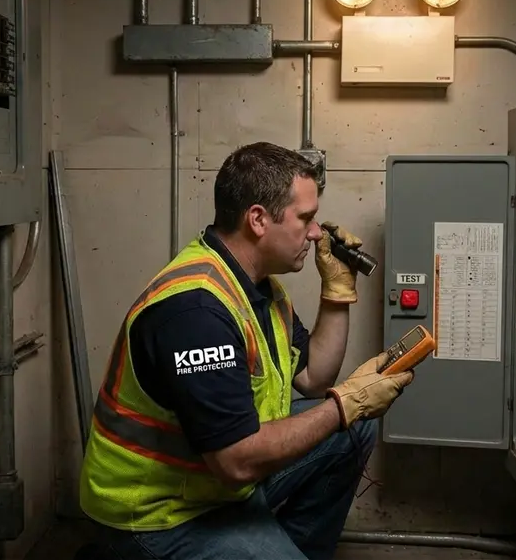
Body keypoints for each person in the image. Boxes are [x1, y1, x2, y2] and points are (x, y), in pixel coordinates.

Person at [77, 141, 415, 560]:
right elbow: (236, 462)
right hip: (157, 512)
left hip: (216, 483)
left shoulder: (259, 289)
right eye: (305, 218)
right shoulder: (197, 313)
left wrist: (337, 290)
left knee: (355, 428)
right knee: (344, 415)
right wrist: (347, 403)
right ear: (257, 219)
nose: (315, 232)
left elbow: (315, 379)